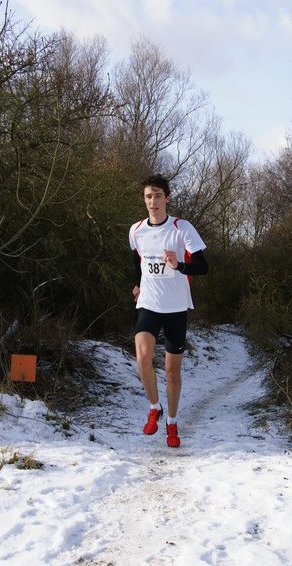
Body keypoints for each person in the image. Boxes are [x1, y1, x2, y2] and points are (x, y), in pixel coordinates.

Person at [129, 174, 208, 447]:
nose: (153, 201)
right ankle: (154, 407)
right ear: (144, 199)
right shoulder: (136, 230)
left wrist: (179, 266)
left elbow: (202, 265)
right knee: (142, 359)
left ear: (168, 198)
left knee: (172, 374)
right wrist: (138, 284)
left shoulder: (181, 228)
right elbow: (137, 260)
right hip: (149, 304)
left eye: (158, 196)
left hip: (175, 309)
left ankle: (171, 424)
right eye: (149, 196)